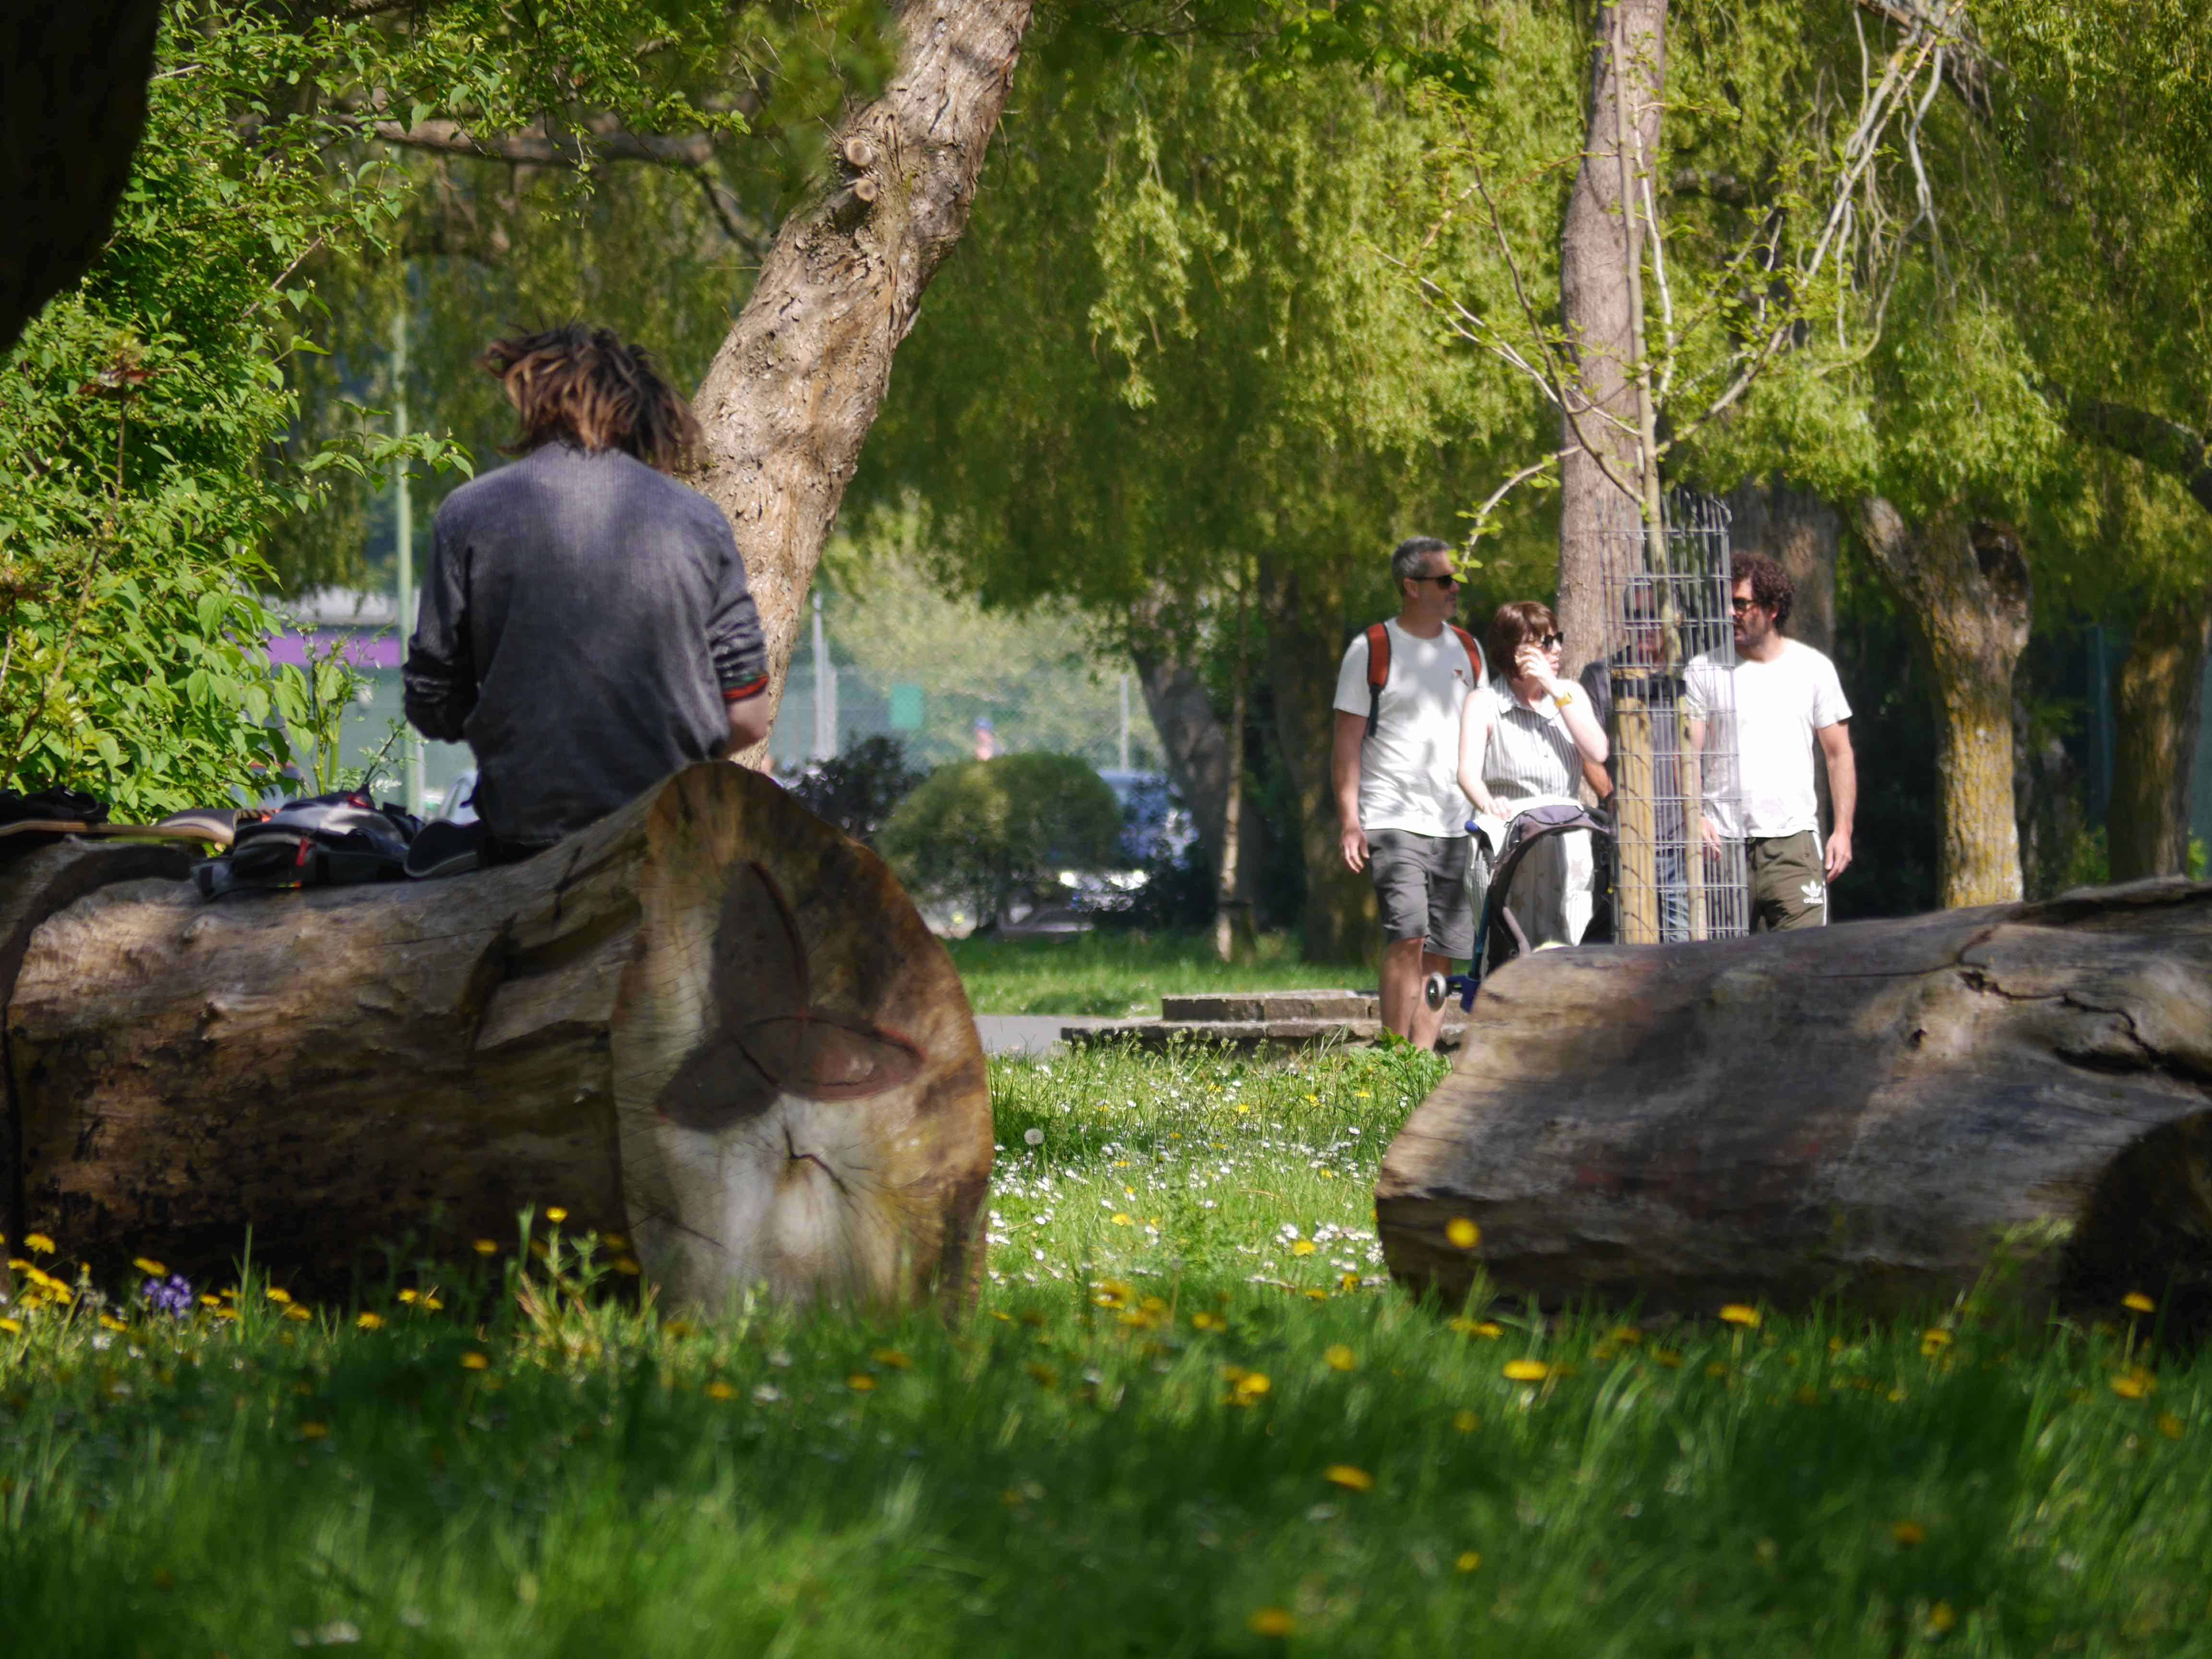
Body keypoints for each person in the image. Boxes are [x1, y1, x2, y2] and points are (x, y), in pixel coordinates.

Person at [403, 325, 770, 861]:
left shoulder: (468, 515)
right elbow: (748, 716)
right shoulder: (699, 523)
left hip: (524, 839)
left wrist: (513, 727)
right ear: (644, 412)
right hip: (669, 838)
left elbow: (431, 701)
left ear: (534, 402)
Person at [1331, 536, 1487, 1047]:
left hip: (1457, 822)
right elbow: (1347, 743)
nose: (1454, 589)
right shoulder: (1372, 648)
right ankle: (1394, 1056)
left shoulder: (1469, 648)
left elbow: (1482, 732)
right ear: (1410, 587)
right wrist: (1351, 821)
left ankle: (1419, 1061)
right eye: (1444, 580)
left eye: (1456, 579)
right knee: (1409, 936)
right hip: (1393, 817)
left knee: (1443, 949)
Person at [1684, 555, 1856, 930]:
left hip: (1793, 844)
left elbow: (1839, 753)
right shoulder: (1702, 670)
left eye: (1742, 604)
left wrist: (1843, 832)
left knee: (1806, 965)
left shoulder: (1813, 668)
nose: (1731, 613)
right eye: (1727, 603)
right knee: (1720, 968)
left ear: (1773, 609)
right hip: (1723, 845)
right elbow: (1688, 753)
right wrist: (1694, 814)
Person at [1458, 601, 1610, 945]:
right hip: (1510, 836)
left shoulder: (1570, 694)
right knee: (1510, 944)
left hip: (1566, 836)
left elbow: (1598, 751)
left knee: (1568, 943)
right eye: (1545, 643)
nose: (1556, 649)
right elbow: (1468, 774)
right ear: (1515, 652)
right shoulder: (1484, 702)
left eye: (1558, 639)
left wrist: (1556, 690)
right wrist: (1487, 802)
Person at [1575, 580, 1691, 940]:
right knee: (1626, 943)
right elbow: (1585, 752)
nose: (1645, 625)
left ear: (1679, 620)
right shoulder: (1600, 675)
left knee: (1681, 945)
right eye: (1636, 616)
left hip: (1681, 841)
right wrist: (1613, 798)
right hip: (1623, 839)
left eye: (1655, 616)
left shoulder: (1691, 677)